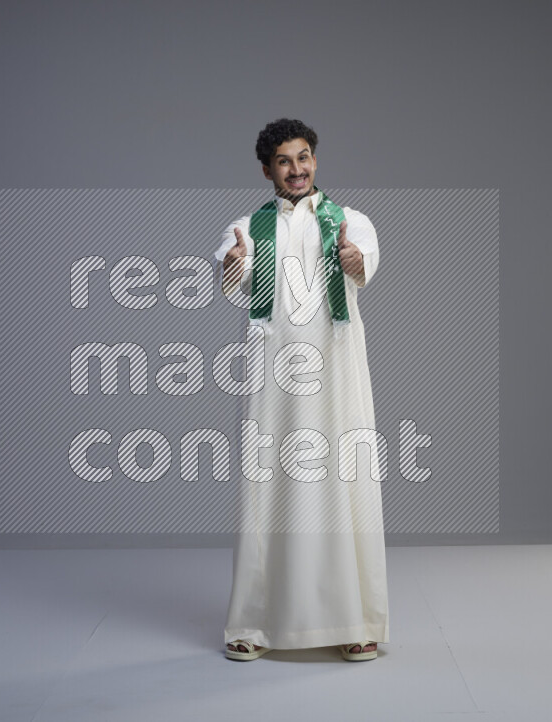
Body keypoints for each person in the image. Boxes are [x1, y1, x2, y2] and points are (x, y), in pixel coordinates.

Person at [214, 118, 390, 662]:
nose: (298, 169)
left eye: (305, 156)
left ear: (315, 160)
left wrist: (355, 261)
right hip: (274, 374)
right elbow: (228, 277)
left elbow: (364, 265)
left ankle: (356, 621)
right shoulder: (246, 226)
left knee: (344, 477)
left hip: (336, 369)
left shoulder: (351, 220)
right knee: (268, 485)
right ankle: (253, 623)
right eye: (286, 161)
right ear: (267, 169)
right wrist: (231, 263)